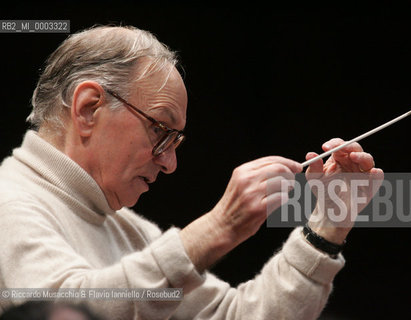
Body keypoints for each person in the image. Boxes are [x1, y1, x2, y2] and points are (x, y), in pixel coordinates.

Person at [0, 25, 383, 319]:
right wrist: (219, 228)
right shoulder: (9, 200)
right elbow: (66, 310)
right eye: (160, 130)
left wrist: (327, 227)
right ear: (87, 108)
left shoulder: (125, 229)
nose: (170, 163)